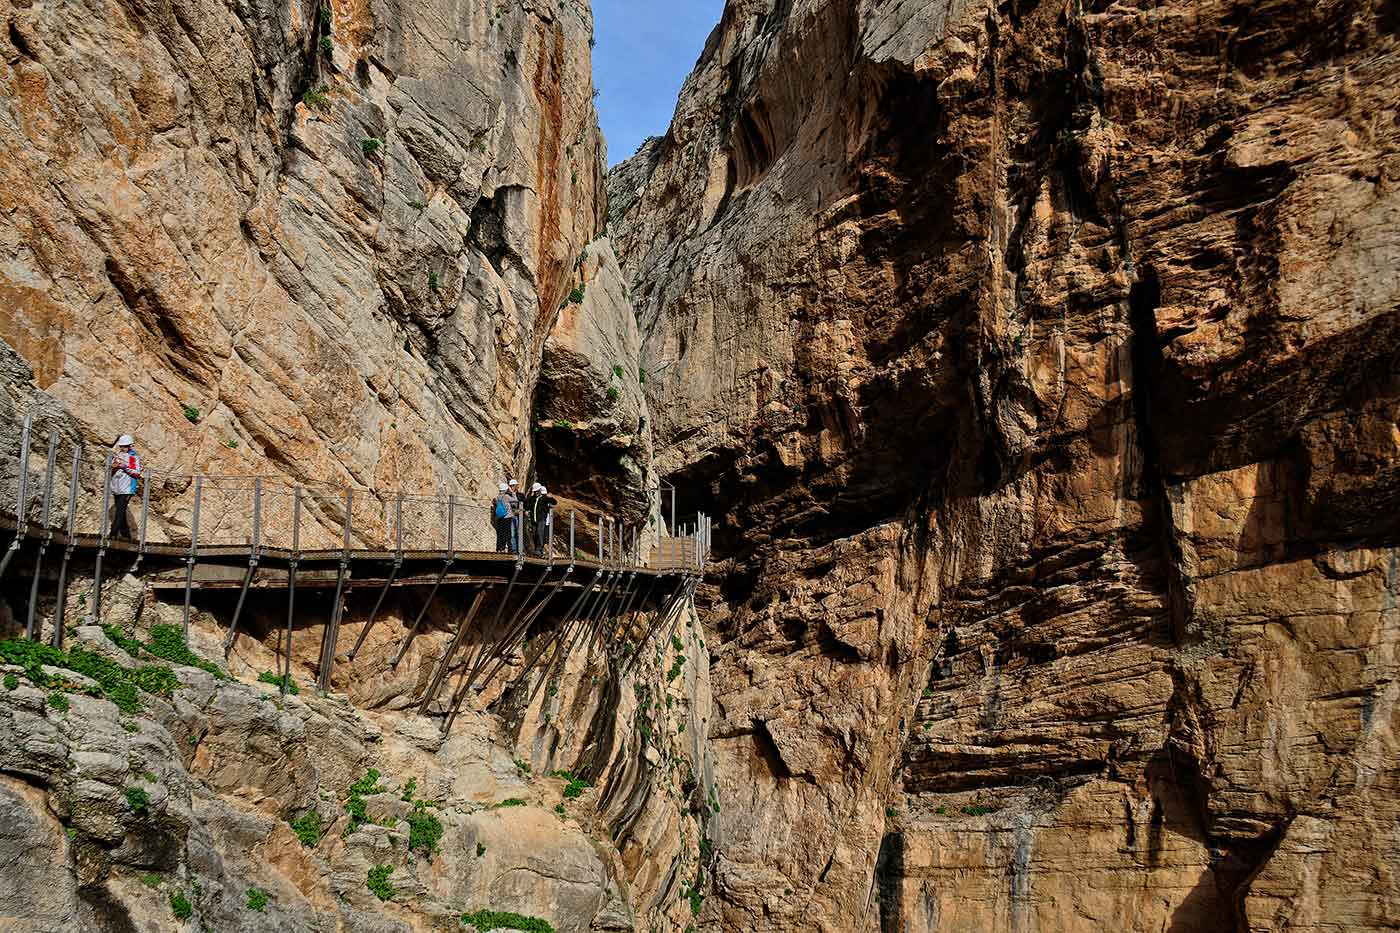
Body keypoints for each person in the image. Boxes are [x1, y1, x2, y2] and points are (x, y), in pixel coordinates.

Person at [108, 434, 142, 539]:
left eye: (125, 446)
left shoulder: (133, 457)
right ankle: (126, 535)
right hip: (117, 487)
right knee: (120, 511)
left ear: (130, 446)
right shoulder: (118, 455)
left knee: (119, 511)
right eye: (121, 446)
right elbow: (112, 469)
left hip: (127, 488)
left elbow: (137, 472)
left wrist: (124, 467)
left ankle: (112, 533)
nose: (123, 448)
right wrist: (114, 466)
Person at [531, 485, 557, 555]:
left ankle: (539, 549)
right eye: (535, 491)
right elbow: (529, 504)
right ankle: (537, 548)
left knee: (540, 533)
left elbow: (554, 502)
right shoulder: (533, 499)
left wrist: (550, 498)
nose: (536, 493)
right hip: (534, 519)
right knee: (535, 534)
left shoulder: (545, 498)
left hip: (542, 519)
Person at [492, 482, 512, 552]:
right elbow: (516, 500)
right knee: (507, 533)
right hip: (507, 517)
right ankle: (507, 548)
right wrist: (512, 492)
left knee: (500, 532)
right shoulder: (506, 497)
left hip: (500, 517)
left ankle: (499, 548)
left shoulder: (496, 497)